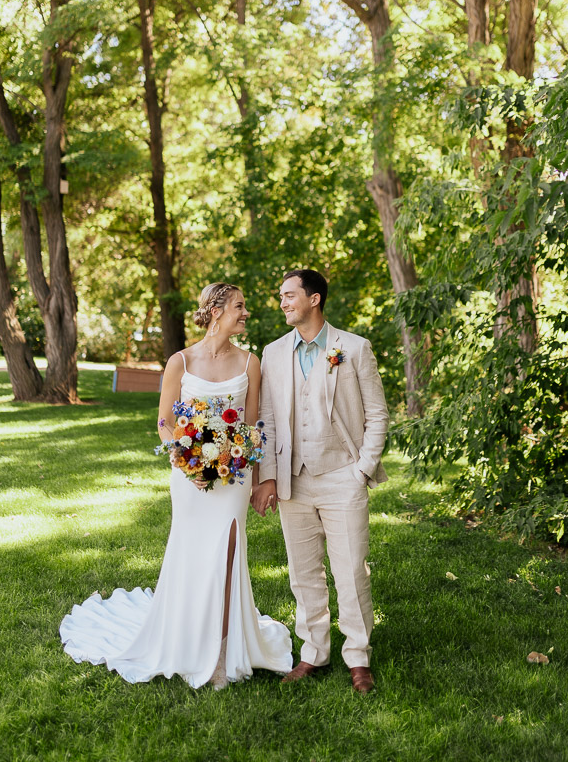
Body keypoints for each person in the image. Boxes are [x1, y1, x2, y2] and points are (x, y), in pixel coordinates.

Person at [60, 282, 292, 689]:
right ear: (216, 310)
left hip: (233, 475)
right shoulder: (179, 362)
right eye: (240, 306)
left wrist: (252, 474)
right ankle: (186, 643)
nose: (246, 313)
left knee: (229, 552)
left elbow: (253, 425)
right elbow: (165, 422)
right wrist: (187, 459)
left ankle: (221, 652)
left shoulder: (250, 362)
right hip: (189, 476)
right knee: (191, 553)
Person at [251, 269, 389, 694]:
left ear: (314, 299)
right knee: (303, 573)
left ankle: (358, 656)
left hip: (341, 476)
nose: (283, 302)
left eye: (290, 295)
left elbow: (378, 414)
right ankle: (313, 651)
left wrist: (361, 469)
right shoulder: (273, 353)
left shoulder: (354, 347)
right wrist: (268, 477)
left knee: (351, 571)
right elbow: (269, 419)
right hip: (294, 480)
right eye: (280, 296)